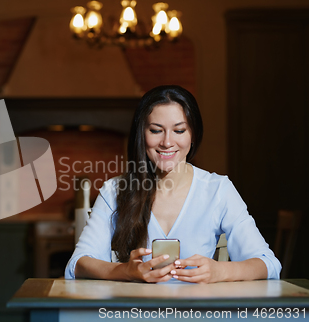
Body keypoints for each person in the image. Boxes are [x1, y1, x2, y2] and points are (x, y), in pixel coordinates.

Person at [65, 85, 281, 283]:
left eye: (179, 130)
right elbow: (78, 264)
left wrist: (219, 272)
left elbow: (268, 265)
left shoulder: (218, 189)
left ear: (193, 135)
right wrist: (125, 271)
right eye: (156, 130)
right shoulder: (115, 190)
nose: (167, 142)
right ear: (142, 134)